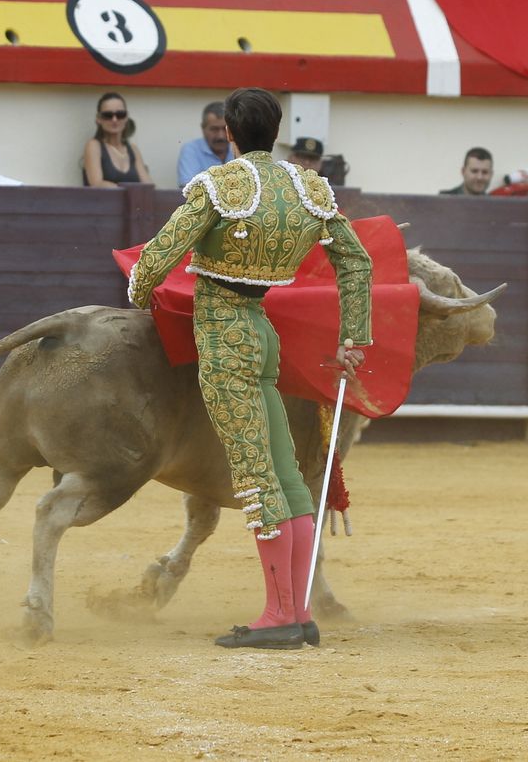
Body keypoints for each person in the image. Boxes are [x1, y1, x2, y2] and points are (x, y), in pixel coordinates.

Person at [127, 86, 370, 652]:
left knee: (258, 476)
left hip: (223, 333)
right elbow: (356, 261)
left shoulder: (222, 185)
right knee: (288, 472)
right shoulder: (308, 188)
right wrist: (354, 338)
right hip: (264, 334)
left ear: (230, 133)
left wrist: (140, 291)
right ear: (276, 130)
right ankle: (300, 610)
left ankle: (278, 614)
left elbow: (160, 256)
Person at [83, 91, 152, 186]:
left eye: (120, 114)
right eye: (108, 115)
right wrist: (130, 192)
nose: (114, 119)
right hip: (103, 200)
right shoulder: (94, 146)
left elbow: (148, 186)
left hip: (134, 200)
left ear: (126, 117)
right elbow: (96, 183)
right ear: (98, 119)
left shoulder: (133, 149)